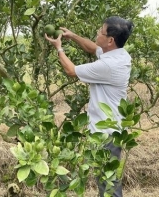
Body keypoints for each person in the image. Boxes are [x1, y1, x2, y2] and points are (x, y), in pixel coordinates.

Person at [44, 16, 134, 197]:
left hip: (107, 134)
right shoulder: (119, 54)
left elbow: (71, 71)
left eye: (100, 31)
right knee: (106, 180)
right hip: (111, 129)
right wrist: (73, 36)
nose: (96, 33)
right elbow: (94, 48)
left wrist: (59, 47)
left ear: (110, 40)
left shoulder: (108, 65)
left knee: (108, 183)